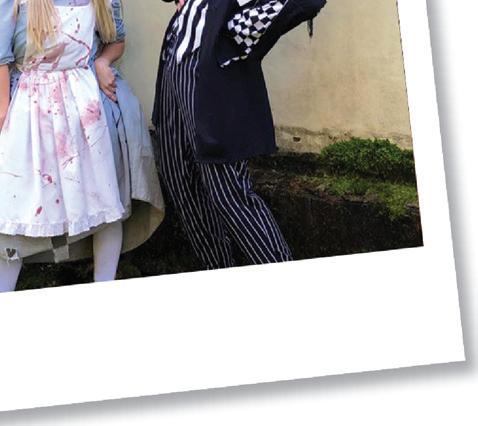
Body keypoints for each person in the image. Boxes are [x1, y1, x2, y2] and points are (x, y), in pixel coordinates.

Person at [0, 0, 164, 292]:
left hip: (85, 111)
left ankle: (103, 287)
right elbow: (1, 57)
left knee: (103, 201)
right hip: (29, 111)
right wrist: (3, 109)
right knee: (16, 207)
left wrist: (102, 62)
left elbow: (116, 40)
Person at [153, 0, 327, 269]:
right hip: (174, 60)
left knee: (228, 193)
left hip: (211, 69)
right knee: (181, 180)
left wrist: (236, 35)